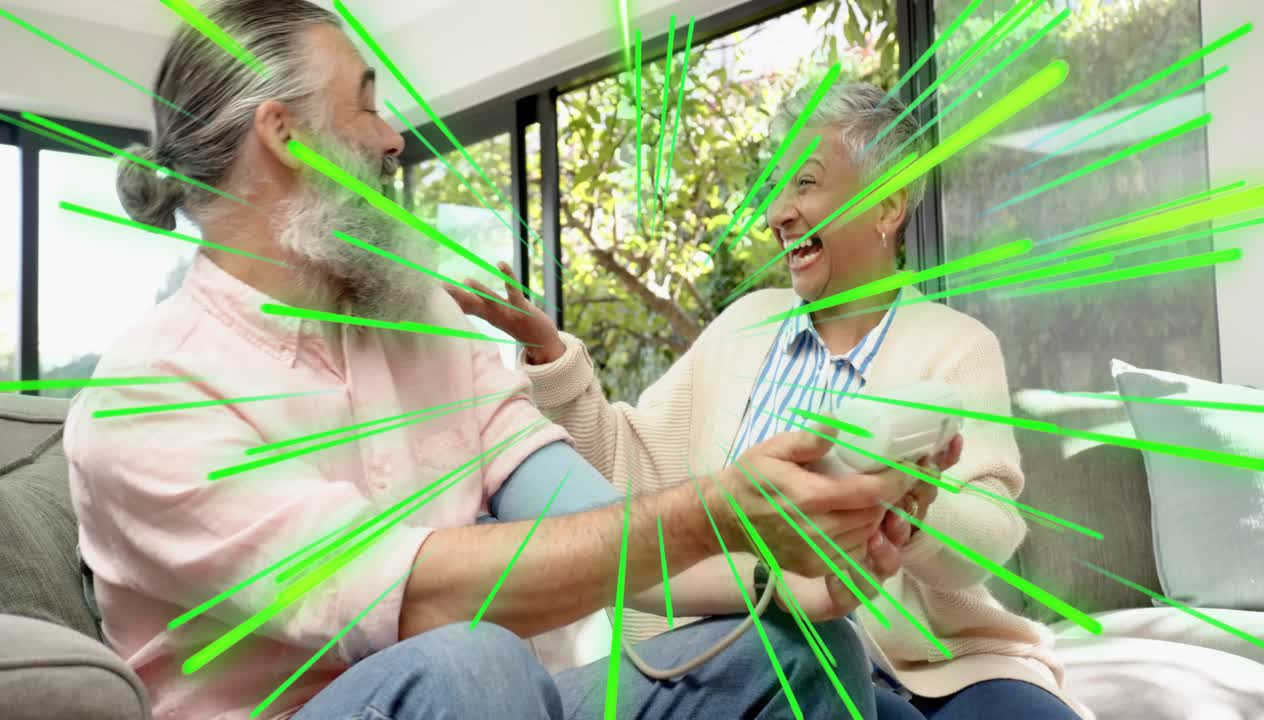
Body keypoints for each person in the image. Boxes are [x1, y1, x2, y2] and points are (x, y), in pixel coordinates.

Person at [63, 2, 948, 718]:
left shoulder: (426, 326)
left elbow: (592, 521)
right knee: (467, 665)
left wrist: (789, 569)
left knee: (802, 654)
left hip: (504, 699)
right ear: (283, 133)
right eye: (367, 102)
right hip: (422, 692)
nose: (393, 139)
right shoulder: (148, 396)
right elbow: (420, 605)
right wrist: (711, 507)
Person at [450, 81, 1093, 720]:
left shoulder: (957, 347)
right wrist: (549, 357)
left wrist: (909, 511)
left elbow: (991, 532)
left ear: (887, 206)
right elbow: (623, 462)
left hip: (937, 666)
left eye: (805, 184)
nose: (777, 212)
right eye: (776, 189)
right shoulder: (742, 327)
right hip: (756, 648)